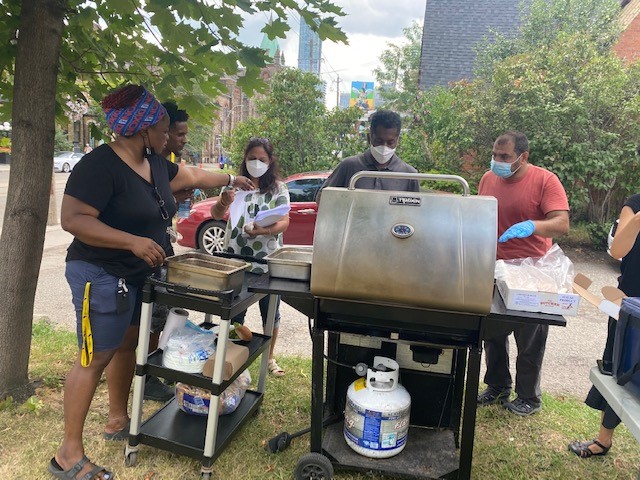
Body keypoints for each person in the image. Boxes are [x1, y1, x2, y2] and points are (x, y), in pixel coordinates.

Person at [49, 84, 254, 480]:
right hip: (99, 273)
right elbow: (73, 219)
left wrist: (232, 177)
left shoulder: (155, 164)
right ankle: (67, 453)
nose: (168, 136)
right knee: (94, 358)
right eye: (162, 129)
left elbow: (193, 174)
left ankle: (116, 419)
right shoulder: (99, 165)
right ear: (143, 129)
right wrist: (131, 241)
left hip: (135, 277)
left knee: (127, 345)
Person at [477, 131, 569, 416]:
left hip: (531, 270)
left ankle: (528, 397)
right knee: (492, 331)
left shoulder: (545, 180)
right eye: (494, 155)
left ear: (523, 157)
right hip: (493, 266)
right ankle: (497, 386)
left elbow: (562, 223)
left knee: (530, 336)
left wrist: (532, 226)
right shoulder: (488, 179)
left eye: (504, 156)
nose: (497, 161)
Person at [211, 137, 289, 376]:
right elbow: (216, 214)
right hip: (235, 261)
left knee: (271, 313)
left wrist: (263, 231)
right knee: (235, 311)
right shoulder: (235, 185)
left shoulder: (278, 188)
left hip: (267, 262)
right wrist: (223, 201)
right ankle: (233, 354)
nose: (256, 163)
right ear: (245, 160)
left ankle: (269, 358)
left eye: (262, 159)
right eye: (252, 158)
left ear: (270, 161)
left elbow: (284, 221)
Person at [568, 195, 640, 457]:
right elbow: (617, 250)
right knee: (618, 370)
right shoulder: (635, 204)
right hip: (629, 307)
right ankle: (603, 440)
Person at [142, 100, 191, 402]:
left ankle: (159, 364)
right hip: (147, 250)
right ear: (163, 132)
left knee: (164, 310)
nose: (184, 140)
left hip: (163, 244)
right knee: (153, 314)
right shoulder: (150, 164)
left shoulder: (166, 165)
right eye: (179, 134)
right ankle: (147, 375)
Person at [317, 109, 419, 196]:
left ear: (398, 140)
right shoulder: (348, 166)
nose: (384, 147)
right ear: (369, 137)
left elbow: (415, 210)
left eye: (390, 142)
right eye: (379, 141)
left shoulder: (409, 174)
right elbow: (323, 198)